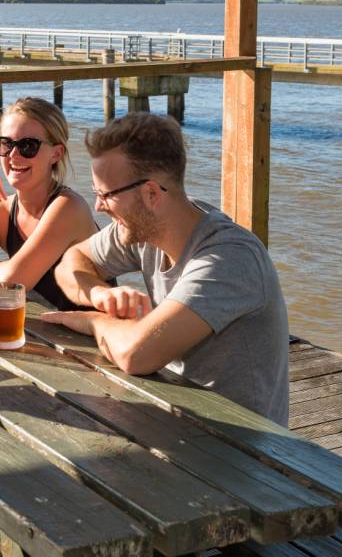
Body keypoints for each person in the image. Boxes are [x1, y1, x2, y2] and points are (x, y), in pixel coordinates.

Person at [43, 112, 289, 425]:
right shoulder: (144, 226)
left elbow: (136, 355)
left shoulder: (229, 258)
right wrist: (99, 294)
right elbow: (72, 262)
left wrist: (92, 320)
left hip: (244, 448)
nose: (99, 206)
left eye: (105, 194)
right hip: (177, 416)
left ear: (151, 194)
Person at [0, 97, 97, 310]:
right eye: (6, 144)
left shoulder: (68, 207)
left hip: (93, 338)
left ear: (56, 153)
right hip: (45, 331)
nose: (14, 155)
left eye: (28, 146)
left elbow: (13, 282)